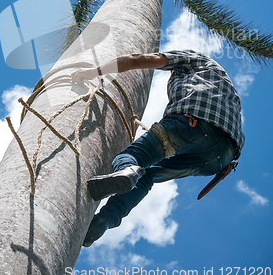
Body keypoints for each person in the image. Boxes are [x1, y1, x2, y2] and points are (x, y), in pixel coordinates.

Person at [71, 50, 245, 247]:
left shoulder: (195, 59)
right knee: (148, 175)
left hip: (192, 122)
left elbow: (137, 60)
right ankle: (103, 221)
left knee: (132, 157)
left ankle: (126, 170)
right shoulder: (225, 87)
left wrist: (95, 71)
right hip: (221, 157)